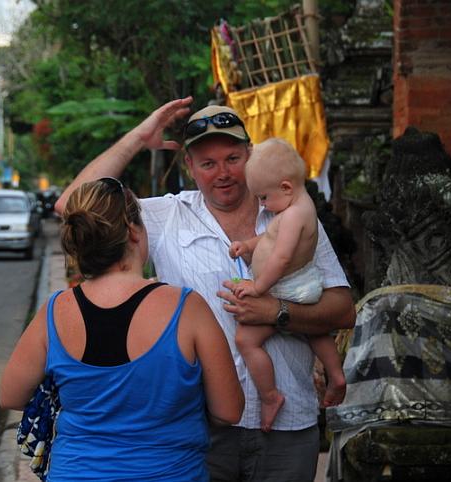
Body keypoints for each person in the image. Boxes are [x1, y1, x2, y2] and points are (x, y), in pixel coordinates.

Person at [55, 99, 355, 482]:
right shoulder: (166, 216)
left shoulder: (290, 212)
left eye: (233, 158)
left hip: (288, 424)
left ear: (251, 155)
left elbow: (344, 308)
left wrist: (277, 313)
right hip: (198, 429)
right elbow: (71, 203)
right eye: (208, 164)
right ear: (190, 168)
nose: (223, 173)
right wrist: (137, 138)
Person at [0, 178, 244, 481]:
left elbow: (10, 396)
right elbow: (229, 411)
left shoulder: (55, 311)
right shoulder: (186, 308)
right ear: (133, 230)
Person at [229, 138, 346, 432]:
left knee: (246, 340)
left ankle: (270, 396)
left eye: (264, 197)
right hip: (304, 285)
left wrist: (258, 288)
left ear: (286, 187)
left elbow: (280, 258)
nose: (261, 204)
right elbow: (270, 238)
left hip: (287, 286)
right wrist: (248, 245)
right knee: (313, 329)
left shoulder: (293, 215)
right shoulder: (297, 208)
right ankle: (336, 373)